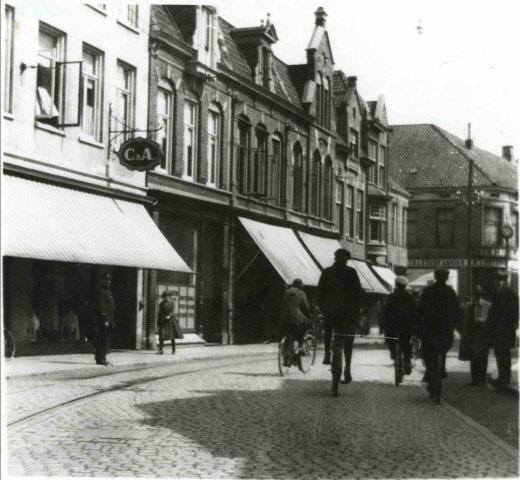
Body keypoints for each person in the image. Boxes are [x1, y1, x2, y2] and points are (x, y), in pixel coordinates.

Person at [317, 248, 363, 384]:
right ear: (346, 259)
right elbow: (357, 293)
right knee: (348, 341)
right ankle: (347, 369)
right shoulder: (351, 272)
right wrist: (358, 310)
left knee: (328, 329)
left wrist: (323, 307)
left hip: (331, 311)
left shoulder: (326, 272)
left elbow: (320, 292)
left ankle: (326, 354)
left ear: (335, 258)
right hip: (348, 313)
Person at [417, 268, 460, 396]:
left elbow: (420, 309)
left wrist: (418, 324)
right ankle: (440, 370)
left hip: (429, 327)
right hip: (445, 328)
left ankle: (430, 373)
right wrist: (456, 326)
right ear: (446, 278)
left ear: (435, 277)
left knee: (427, 352)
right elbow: (456, 311)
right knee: (443, 349)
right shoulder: (450, 292)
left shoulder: (428, 291)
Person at [488, 270, 519, 390]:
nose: (495, 283)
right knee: (502, 355)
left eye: (497, 281)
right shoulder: (508, 292)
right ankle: (503, 377)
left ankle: (503, 379)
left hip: (502, 330)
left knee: (503, 355)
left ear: (501, 281)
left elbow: (501, 313)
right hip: (504, 330)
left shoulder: (505, 293)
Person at [382, 275, 416, 375]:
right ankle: (407, 361)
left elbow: (385, 311)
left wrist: (384, 322)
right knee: (406, 343)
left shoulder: (391, 296)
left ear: (396, 285)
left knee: (390, 339)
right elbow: (414, 311)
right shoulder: (409, 297)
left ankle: (393, 353)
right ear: (405, 286)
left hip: (392, 324)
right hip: (406, 324)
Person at [280, 279, 311, 366]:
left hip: (285, 316)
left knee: (288, 335)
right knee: (301, 331)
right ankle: (297, 352)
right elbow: (306, 306)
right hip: (296, 316)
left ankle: (285, 356)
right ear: (300, 285)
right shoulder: (301, 293)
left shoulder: (286, 292)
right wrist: (309, 316)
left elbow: (282, 304)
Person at [466, 285, 492, 386]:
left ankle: (481, 379)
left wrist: (483, 322)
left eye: (479, 295)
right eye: (475, 295)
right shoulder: (472, 306)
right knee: (474, 357)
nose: (477, 297)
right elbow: (469, 321)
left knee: (482, 357)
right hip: (474, 334)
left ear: (482, 296)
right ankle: (474, 379)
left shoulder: (488, 306)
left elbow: (490, 321)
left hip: (484, 334)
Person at [95, 273, 115, 366]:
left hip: (108, 319)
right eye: (106, 280)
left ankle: (101, 357)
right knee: (102, 339)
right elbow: (102, 306)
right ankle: (101, 358)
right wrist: (105, 319)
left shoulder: (107, 291)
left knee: (105, 338)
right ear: (102, 280)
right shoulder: (102, 291)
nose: (108, 281)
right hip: (104, 320)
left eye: (109, 280)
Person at [158, 291, 177, 355]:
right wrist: (158, 322)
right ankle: (161, 350)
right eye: (165, 296)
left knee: (172, 336)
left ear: (169, 296)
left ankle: (173, 350)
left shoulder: (172, 303)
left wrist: (169, 315)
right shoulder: (161, 304)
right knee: (161, 336)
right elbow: (159, 313)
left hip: (170, 322)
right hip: (163, 321)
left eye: (167, 296)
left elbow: (173, 312)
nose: (166, 297)